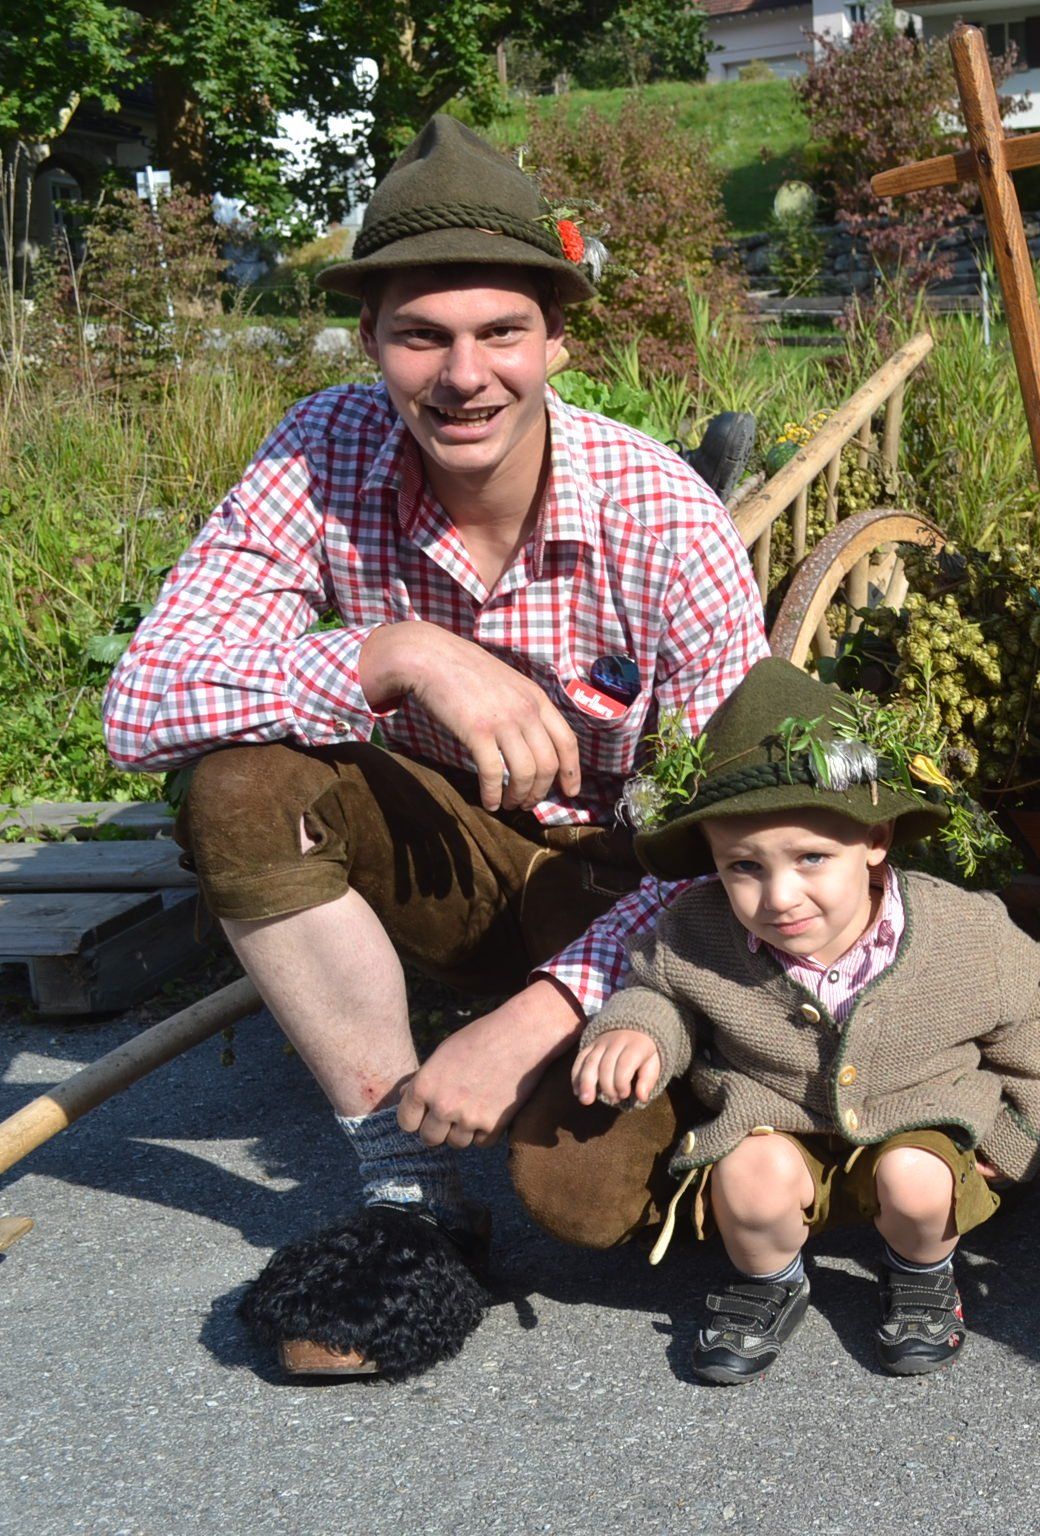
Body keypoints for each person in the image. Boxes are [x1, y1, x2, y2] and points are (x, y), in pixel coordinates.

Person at [100, 115, 769, 1379]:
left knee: (584, 1204)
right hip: (439, 858)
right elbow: (139, 705)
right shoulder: (321, 452)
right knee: (240, 787)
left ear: (558, 338)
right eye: (422, 336)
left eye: (500, 332)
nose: (465, 377)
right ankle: (408, 1191)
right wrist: (394, 652)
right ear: (370, 341)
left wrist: (538, 1017)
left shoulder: (663, 517)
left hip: (626, 896)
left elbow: (746, 831)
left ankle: (538, 1078)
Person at [567, 658, 1040, 1382]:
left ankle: (920, 1269)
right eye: (744, 867)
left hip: (916, 1118)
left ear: (876, 840)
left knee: (918, 1184)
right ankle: (769, 1281)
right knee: (747, 1182)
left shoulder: (967, 935)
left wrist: (1017, 1135)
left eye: (811, 857)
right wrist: (636, 1028)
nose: (779, 897)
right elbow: (662, 991)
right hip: (775, 1123)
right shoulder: (696, 930)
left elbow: (1034, 1024)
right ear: (713, 859)